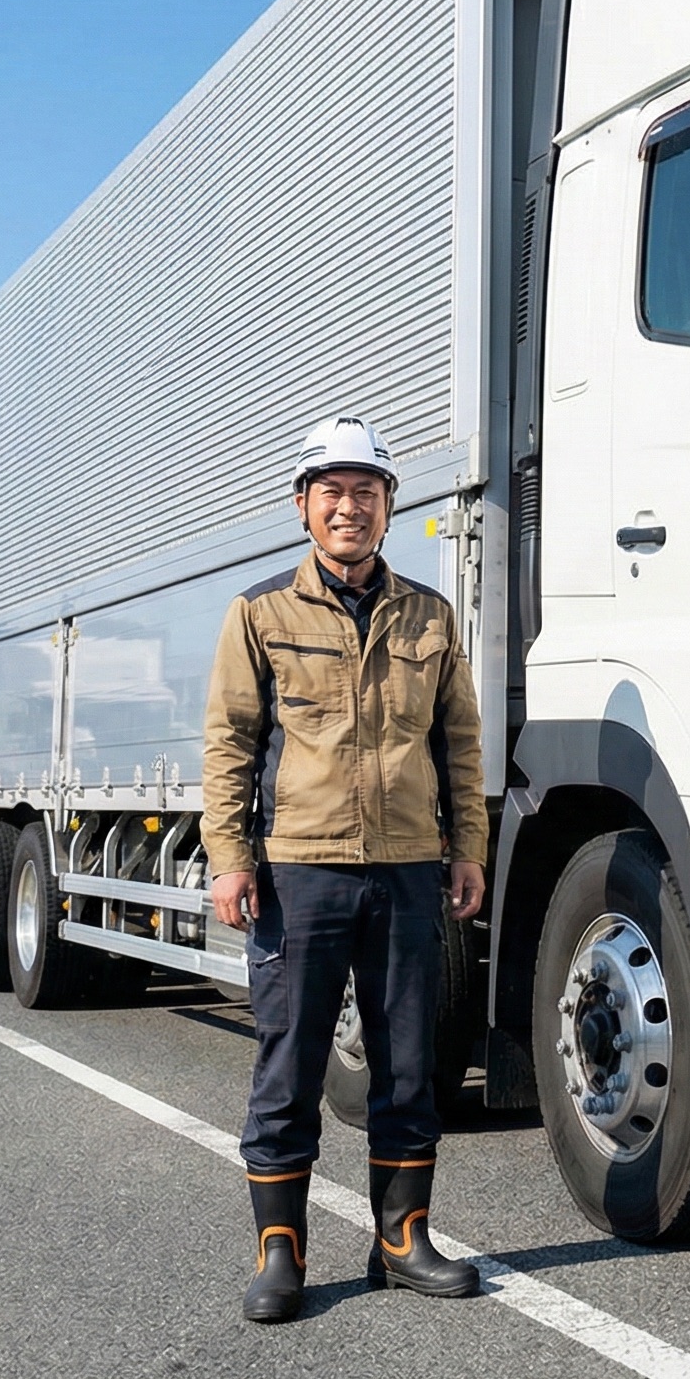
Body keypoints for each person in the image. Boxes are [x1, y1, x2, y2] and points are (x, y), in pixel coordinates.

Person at [202, 416, 490, 1324]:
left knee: (408, 1064)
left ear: (389, 507)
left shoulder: (429, 616)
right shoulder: (260, 613)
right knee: (288, 1065)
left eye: (366, 492)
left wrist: (468, 846)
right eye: (331, 492)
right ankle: (279, 1254)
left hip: (406, 869)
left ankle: (401, 1241)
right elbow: (230, 744)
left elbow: (459, 742)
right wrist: (230, 858)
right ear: (302, 506)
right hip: (301, 871)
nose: (348, 507)